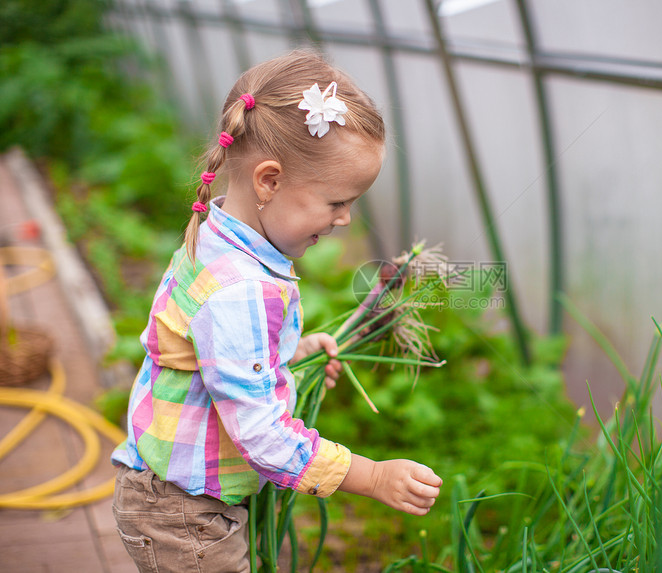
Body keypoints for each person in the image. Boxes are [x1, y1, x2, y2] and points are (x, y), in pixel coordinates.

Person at [111, 50, 442, 572]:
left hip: (176, 492)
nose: (345, 220)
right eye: (336, 202)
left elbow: (213, 355)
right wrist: (372, 476)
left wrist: (292, 353)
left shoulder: (218, 234)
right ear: (269, 180)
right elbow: (261, 436)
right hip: (184, 514)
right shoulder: (241, 291)